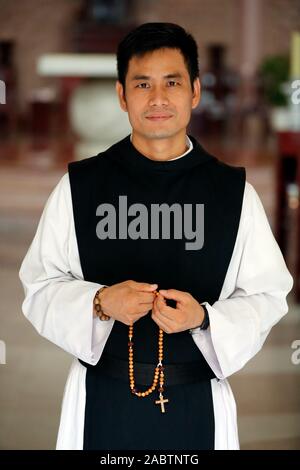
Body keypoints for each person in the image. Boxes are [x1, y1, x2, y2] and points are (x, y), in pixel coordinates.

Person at [19, 22, 293, 450]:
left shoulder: (233, 192)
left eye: (173, 82)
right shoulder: (80, 186)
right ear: (122, 95)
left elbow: (269, 295)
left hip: (198, 396)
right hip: (100, 398)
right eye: (142, 84)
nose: (159, 99)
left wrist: (204, 318)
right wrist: (98, 302)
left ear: (195, 91)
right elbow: (38, 287)